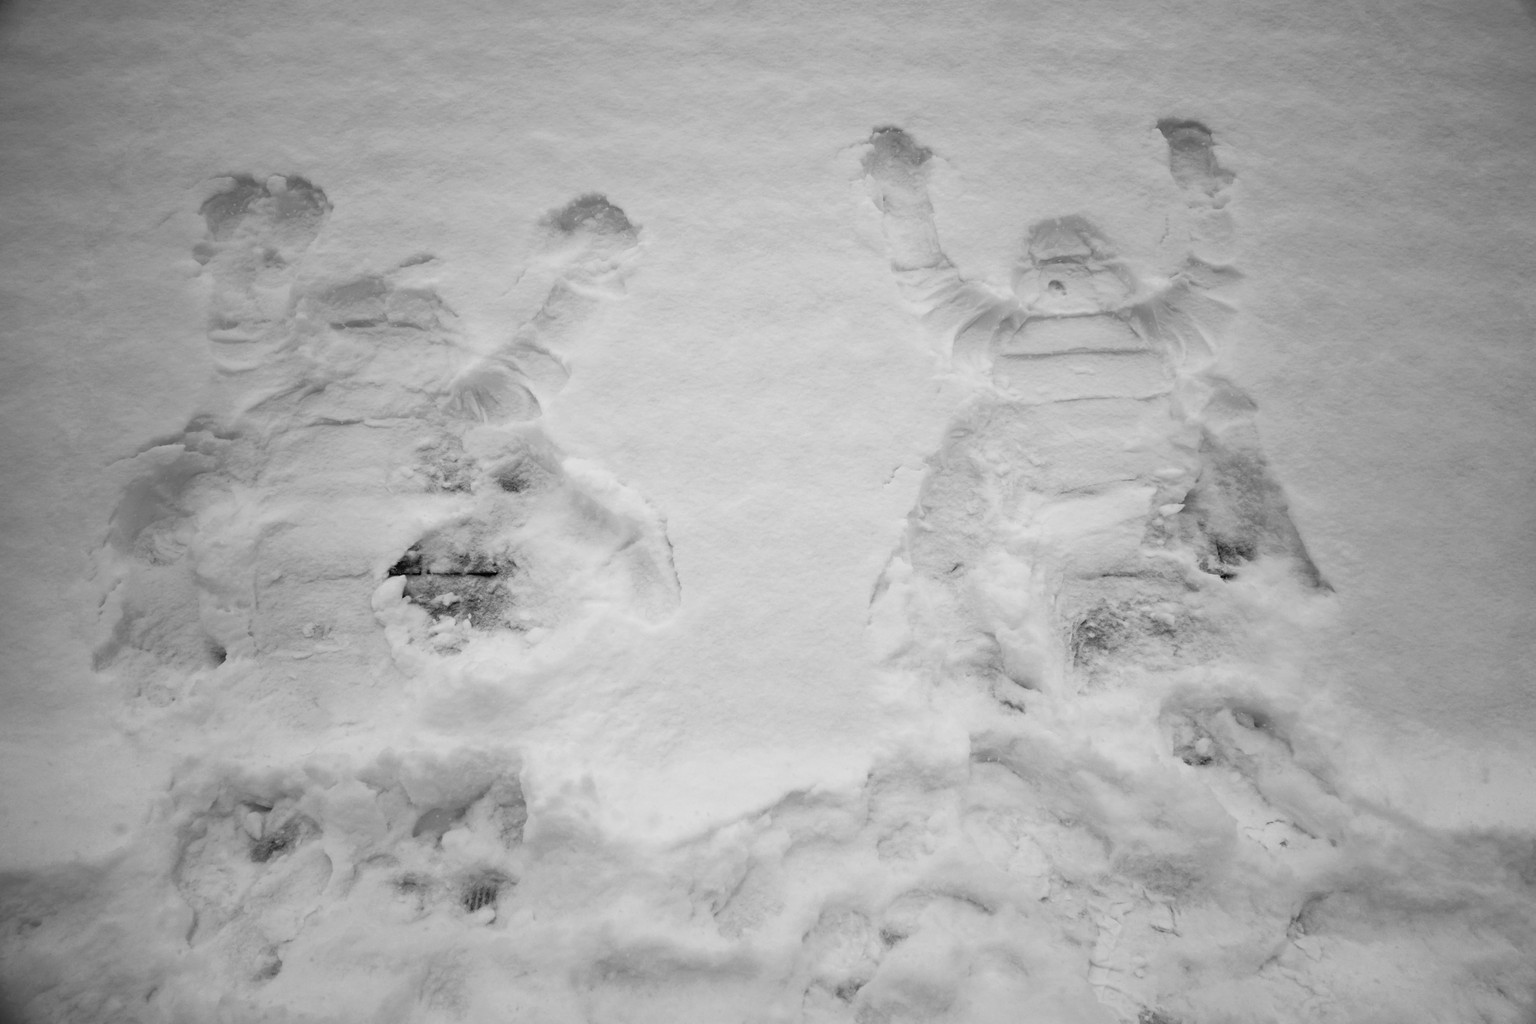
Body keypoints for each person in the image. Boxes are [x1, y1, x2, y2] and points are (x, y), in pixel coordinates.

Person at [862, 126, 1324, 698]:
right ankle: (1193, 653)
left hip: (1057, 519)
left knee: (1079, 594)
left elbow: (928, 291)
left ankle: (1109, 670)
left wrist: (903, 205)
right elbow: (1215, 282)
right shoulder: (1160, 341)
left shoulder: (999, 350)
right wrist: (1206, 197)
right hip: (1144, 515)